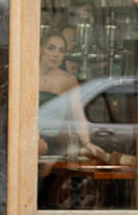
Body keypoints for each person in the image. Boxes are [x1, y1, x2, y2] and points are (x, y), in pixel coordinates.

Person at [38, 31, 107, 161]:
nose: (56, 54)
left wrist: (87, 142)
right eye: (51, 48)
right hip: (25, 141)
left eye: (61, 50)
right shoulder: (27, 74)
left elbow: (78, 114)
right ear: (40, 49)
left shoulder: (68, 80)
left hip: (51, 146)